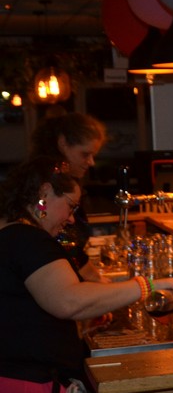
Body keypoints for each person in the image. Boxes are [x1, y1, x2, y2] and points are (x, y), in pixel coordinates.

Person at [0, 156, 173, 393]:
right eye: (70, 206)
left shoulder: (10, 235)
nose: (71, 218)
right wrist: (148, 285)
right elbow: (69, 301)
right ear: (44, 194)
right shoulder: (27, 240)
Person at [29, 112, 106, 273]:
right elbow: (63, 242)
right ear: (63, 143)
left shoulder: (53, 178)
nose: (91, 162)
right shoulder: (49, 184)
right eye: (85, 154)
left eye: (93, 155)